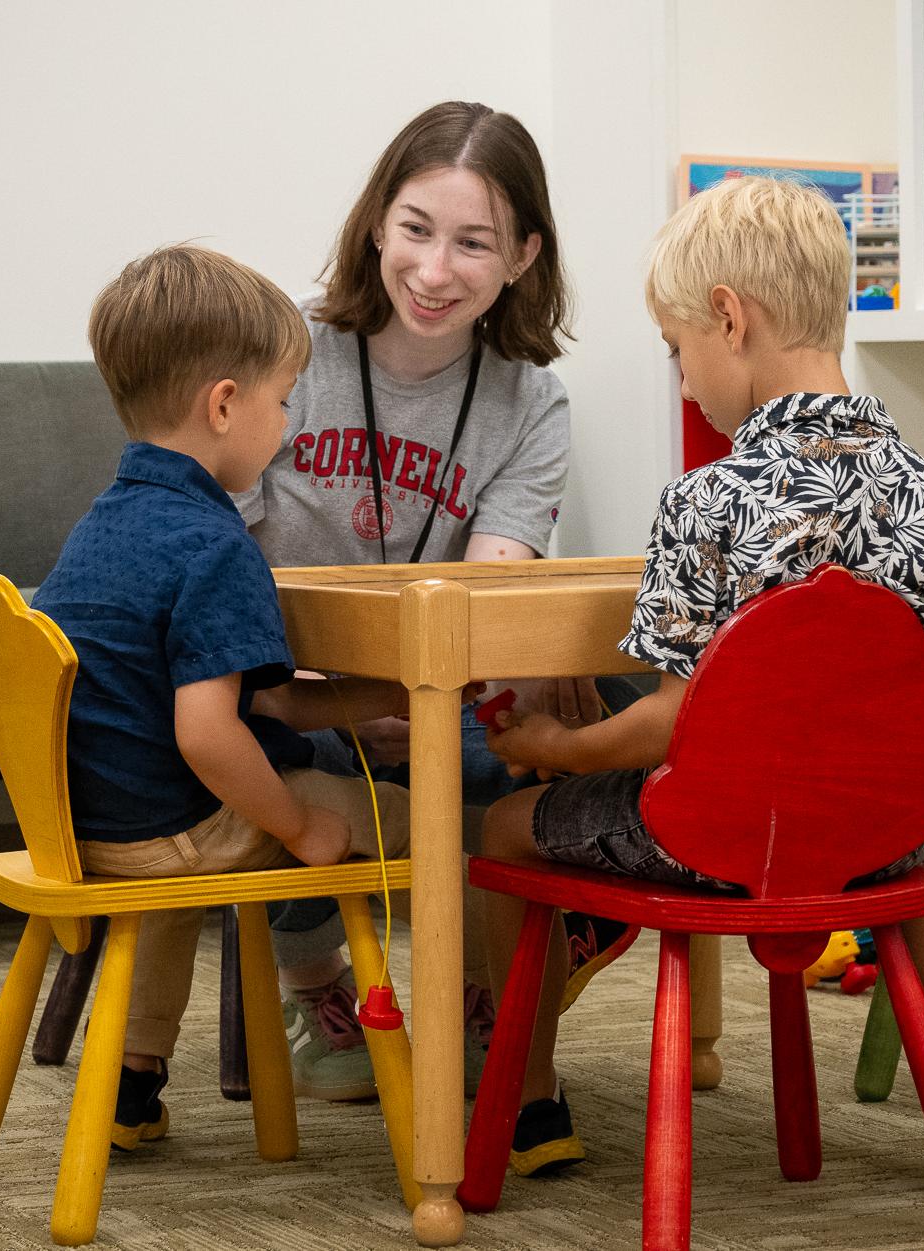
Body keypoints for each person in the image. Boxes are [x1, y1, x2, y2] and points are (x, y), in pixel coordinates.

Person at [480, 175, 924, 1187]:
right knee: (921, 847)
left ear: (729, 319)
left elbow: (670, 721)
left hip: (710, 844)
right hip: (870, 842)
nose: (684, 379)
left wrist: (553, 749)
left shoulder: (706, 501)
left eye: (678, 348)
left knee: (503, 827)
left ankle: (525, 1108)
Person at [32, 244, 480, 1149]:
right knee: (426, 817)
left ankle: (131, 1076)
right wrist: (298, 825)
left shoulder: (102, 523)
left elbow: (261, 705)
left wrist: (367, 696)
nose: (285, 425)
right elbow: (208, 735)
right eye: (282, 402)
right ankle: (466, 1039)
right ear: (225, 404)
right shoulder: (215, 543)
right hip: (189, 823)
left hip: (102, 828)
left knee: (190, 866)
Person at [231, 101, 635, 1101]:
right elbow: (219, 559)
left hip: (437, 691)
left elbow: (490, 588)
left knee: (620, 707)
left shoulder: (529, 399)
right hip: (294, 689)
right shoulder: (286, 350)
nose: (434, 270)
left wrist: (458, 686)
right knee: (250, 730)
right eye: (415, 229)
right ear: (376, 223)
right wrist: (332, 688)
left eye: (474, 243)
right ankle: (315, 984)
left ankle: (486, 979)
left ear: (523, 257)